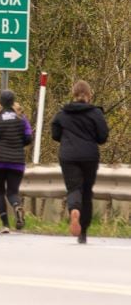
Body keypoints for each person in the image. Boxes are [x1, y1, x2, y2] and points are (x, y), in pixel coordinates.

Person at [50, 80, 109, 244]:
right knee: (87, 192)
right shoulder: (96, 113)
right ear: (89, 96)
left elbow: (55, 134)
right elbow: (102, 137)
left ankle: (74, 210)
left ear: (73, 95)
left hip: (68, 156)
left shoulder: (63, 113)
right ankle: (83, 232)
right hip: (89, 156)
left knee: (74, 188)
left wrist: (67, 137)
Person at [0, 91, 32, 233]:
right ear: (13, 102)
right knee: (12, 192)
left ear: (0, 102)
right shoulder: (22, 118)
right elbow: (29, 137)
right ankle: (17, 206)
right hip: (17, 161)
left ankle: (5, 224)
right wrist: (18, 144)